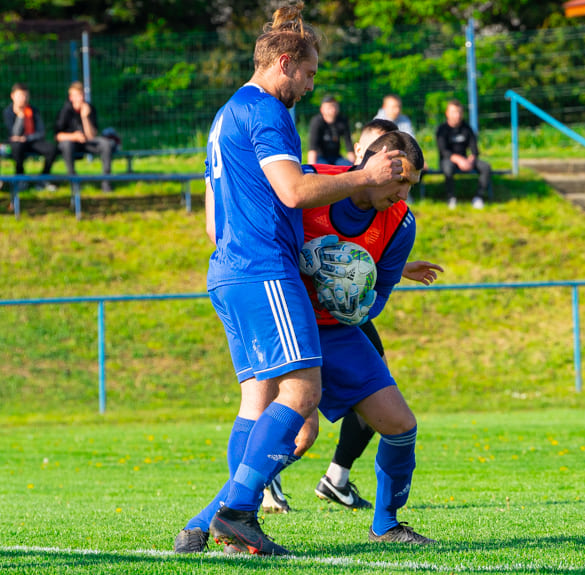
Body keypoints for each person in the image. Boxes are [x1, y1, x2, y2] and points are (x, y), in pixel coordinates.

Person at [172, 2, 405, 556]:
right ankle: (235, 513)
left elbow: (212, 221)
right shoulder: (269, 113)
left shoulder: (225, 114)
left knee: (258, 400)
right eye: (309, 73)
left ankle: (222, 524)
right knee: (303, 394)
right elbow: (295, 192)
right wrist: (364, 176)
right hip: (264, 272)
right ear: (284, 63)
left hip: (227, 273)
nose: (309, 84)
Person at [299, 129, 436, 544]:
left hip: (339, 330)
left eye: (410, 185)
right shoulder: (309, 182)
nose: (403, 193)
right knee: (298, 433)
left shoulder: (401, 224)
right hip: (290, 319)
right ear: (378, 163)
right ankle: (220, 515)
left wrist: (351, 302)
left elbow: (379, 297)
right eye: (400, 181)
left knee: (400, 423)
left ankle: (387, 524)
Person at [55, 81, 115, 193]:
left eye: (82, 95)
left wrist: (85, 117)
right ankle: (73, 180)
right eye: (77, 96)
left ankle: (106, 181)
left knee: (106, 144)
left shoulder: (89, 109)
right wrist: (74, 136)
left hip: (87, 142)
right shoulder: (65, 111)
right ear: (71, 97)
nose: (80, 98)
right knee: (66, 145)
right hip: (72, 143)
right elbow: (58, 136)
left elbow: (91, 135)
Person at [436, 99, 491, 210]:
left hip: (466, 160)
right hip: (448, 160)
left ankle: (478, 197)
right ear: (447, 113)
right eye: (454, 112)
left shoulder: (467, 128)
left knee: (486, 167)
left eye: (459, 112)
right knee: (448, 168)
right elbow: (443, 151)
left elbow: (474, 149)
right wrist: (458, 160)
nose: (457, 115)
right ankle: (451, 198)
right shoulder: (441, 130)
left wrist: (470, 160)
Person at [2, 83, 57, 190]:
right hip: (16, 144)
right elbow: (14, 134)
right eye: (20, 96)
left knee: (52, 149)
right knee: (17, 146)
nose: (23, 99)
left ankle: (43, 179)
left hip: (32, 141)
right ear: (12, 96)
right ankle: (20, 177)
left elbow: (41, 132)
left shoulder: (34, 111)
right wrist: (20, 117)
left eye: (26, 96)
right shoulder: (8, 112)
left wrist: (27, 138)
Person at [307, 95, 355, 166]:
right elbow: (312, 146)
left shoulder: (342, 121)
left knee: (348, 167)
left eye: (335, 106)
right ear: (322, 110)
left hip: (336, 157)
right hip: (321, 157)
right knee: (324, 170)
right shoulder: (316, 122)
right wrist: (311, 167)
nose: (333, 109)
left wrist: (353, 165)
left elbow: (348, 144)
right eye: (329, 107)